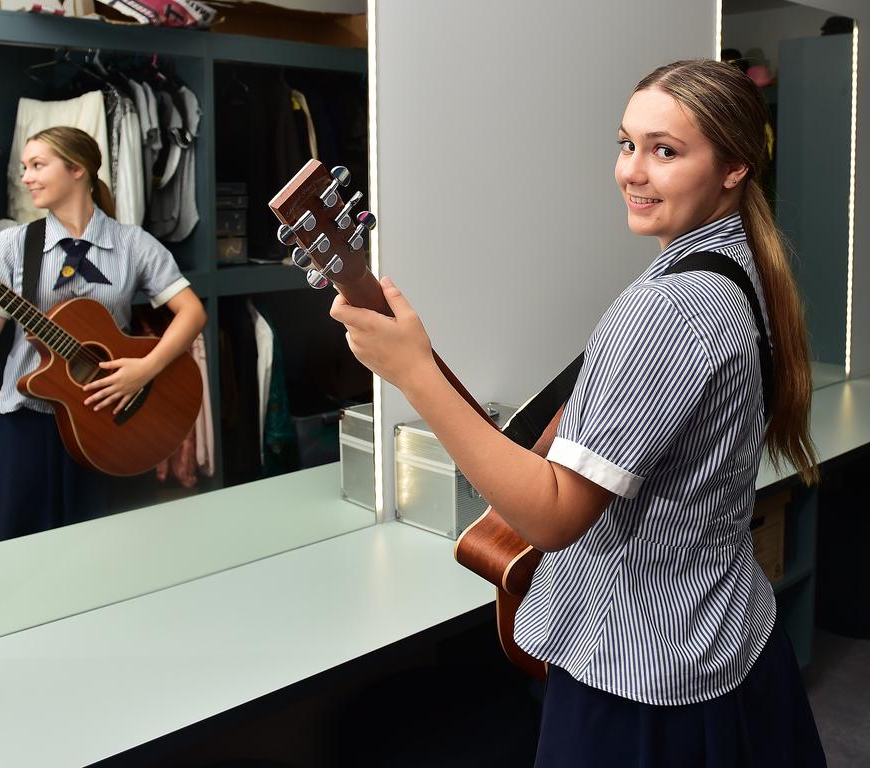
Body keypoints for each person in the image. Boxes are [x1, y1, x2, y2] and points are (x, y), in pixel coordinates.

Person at [330, 59, 825, 766]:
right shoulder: (733, 268)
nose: (632, 171)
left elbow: (553, 519)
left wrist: (412, 371)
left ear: (735, 168)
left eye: (666, 151)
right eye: (627, 144)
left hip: (642, 681)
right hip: (724, 636)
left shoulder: (668, 310)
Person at [0, 126, 206, 544]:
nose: (26, 177)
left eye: (37, 165)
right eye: (24, 167)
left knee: (110, 548)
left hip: (110, 419)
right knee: (21, 552)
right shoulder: (12, 245)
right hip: (28, 423)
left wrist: (145, 369)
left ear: (77, 170)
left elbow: (191, 312)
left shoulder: (132, 243)